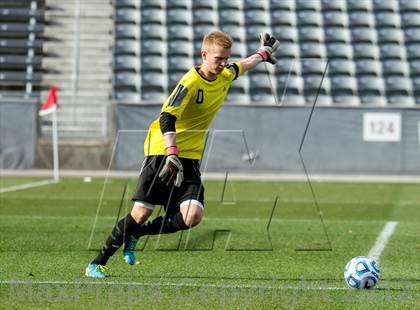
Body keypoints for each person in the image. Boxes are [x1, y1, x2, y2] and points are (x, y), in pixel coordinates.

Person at [86, 31, 280, 278]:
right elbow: (167, 117)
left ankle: (137, 234)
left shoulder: (225, 74)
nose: (223, 64)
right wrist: (171, 152)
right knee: (141, 212)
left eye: (226, 59)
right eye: (219, 59)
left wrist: (264, 53)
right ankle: (97, 262)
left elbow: (244, 64)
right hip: (163, 149)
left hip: (190, 157)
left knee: (192, 216)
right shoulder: (189, 82)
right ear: (204, 55)